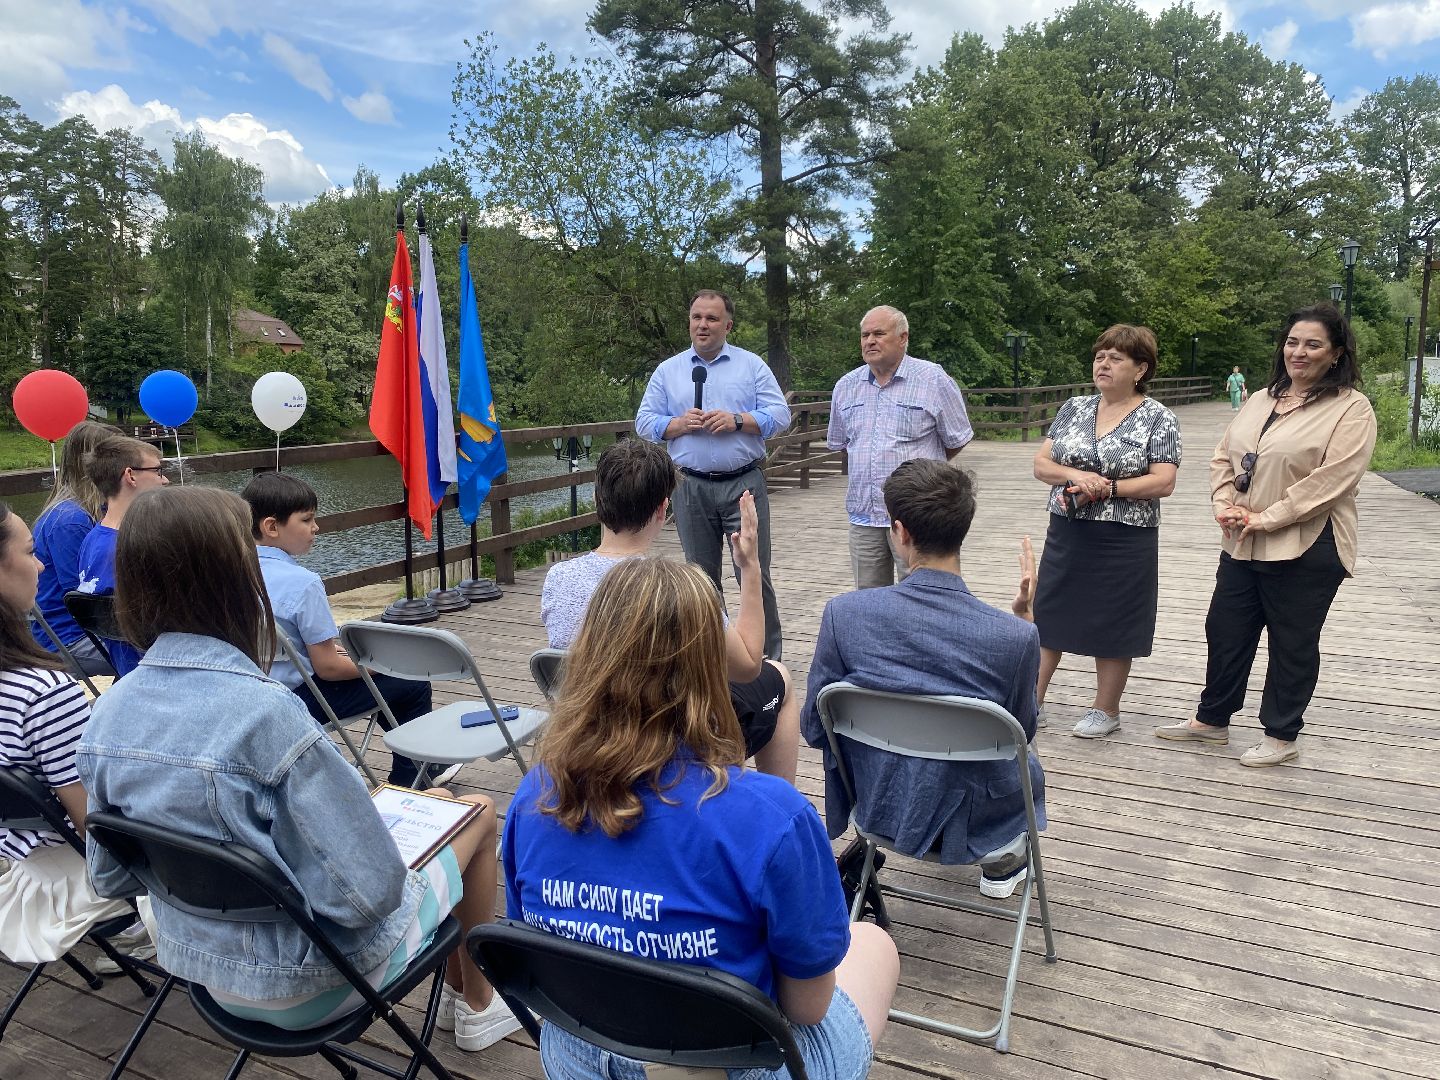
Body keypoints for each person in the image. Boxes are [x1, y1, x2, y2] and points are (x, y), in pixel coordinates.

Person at [75, 487, 521, 1050]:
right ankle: (477, 1005)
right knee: (476, 812)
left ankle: (465, 992)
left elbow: (111, 876)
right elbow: (371, 895)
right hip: (314, 983)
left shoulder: (108, 713)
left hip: (201, 973)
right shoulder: (266, 716)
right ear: (239, 580)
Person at [506, 556, 899, 1080]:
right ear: (710, 667)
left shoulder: (536, 793)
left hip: (580, 1051)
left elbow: (530, 945)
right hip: (729, 1062)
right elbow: (808, 1008)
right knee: (873, 945)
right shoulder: (775, 817)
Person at [802, 459, 1046, 897]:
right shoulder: (1015, 637)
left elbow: (814, 727)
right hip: (973, 821)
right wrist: (1026, 620)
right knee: (1025, 763)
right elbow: (1020, 733)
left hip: (877, 807)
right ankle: (1004, 863)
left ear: (900, 533)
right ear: (963, 530)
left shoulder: (845, 615)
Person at [1156, 304, 1377, 767]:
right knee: (1226, 628)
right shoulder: (1261, 398)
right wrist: (1223, 504)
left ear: (1335, 353)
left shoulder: (1352, 409)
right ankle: (1212, 720)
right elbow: (1224, 455)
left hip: (1308, 542)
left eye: (1313, 344)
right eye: (1293, 341)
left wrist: (1265, 517)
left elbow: (1330, 482)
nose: (1299, 352)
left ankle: (1281, 734)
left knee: (1292, 640)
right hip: (1241, 538)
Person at [539, 437, 800, 784]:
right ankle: (777, 806)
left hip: (593, 728)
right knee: (777, 675)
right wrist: (750, 567)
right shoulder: (681, 589)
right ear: (663, 509)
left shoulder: (558, 579)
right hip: (669, 736)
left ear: (596, 501)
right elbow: (749, 666)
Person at [1031, 325, 1181, 739]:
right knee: (1049, 610)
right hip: (1067, 526)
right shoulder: (1074, 408)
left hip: (1124, 535)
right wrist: (1076, 474)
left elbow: (1163, 482)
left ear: (1140, 369)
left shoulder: (1159, 417)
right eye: (1100, 356)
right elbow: (1042, 465)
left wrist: (1110, 487)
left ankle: (1105, 709)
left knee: (1116, 617)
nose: (1104, 363)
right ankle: (1032, 700)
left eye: (1116, 358)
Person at [241, 472, 436, 789]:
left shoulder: (227, 571)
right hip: (295, 701)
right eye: (306, 520)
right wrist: (375, 666)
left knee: (389, 688)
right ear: (271, 526)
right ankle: (410, 779)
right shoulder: (302, 583)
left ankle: (424, 763)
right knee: (410, 683)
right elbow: (329, 668)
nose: (315, 528)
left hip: (247, 693)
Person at [0, 502, 133, 967]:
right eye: (30, 551)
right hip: (80, 876)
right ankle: (143, 931)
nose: (39, 565)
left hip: (22, 859)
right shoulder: (43, 693)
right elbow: (94, 825)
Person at [634, 290, 791, 658]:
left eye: (712, 318)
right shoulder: (668, 371)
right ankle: (713, 659)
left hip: (743, 485)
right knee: (700, 580)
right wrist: (675, 424)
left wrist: (739, 420)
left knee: (753, 573)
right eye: (697, 317)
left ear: (728, 325)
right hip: (689, 485)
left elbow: (780, 415)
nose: (703, 324)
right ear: (689, 322)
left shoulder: (751, 366)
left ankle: (767, 662)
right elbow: (643, 422)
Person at [827, 306, 974, 589]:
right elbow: (845, 445)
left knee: (925, 594)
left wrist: (924, 472)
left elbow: (955, 440)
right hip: (865, 516)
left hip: (919, 517)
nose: (870, 340)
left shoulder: (933, 379)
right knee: (870, 600)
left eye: (879, 333)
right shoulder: (846, 386)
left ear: (903, 338)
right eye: (865, 335)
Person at [73, 434, 170, 677]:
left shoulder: (92, 540)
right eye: (157, 471)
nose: (165, 480)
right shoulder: (130, 550)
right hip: (158, 674)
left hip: (128, 673)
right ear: (131, 476)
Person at [30, 420, 121, 676]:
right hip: (70, 638)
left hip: (90, 629)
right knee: (157, 655)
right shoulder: (69, 520)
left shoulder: (96, 511)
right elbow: (87, 598)